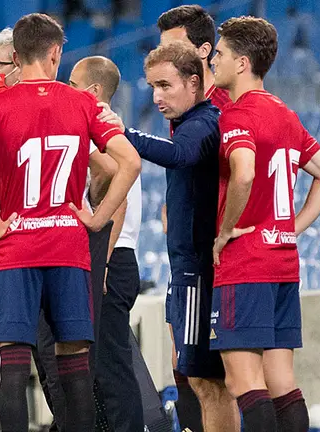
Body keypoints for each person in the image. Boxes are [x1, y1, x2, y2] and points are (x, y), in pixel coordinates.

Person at [0, 13, 140, 432]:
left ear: (17, 56)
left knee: (14, 368)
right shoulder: (84, 103)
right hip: (68, 247)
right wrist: (98, 219)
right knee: (75, 369)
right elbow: (129, 163)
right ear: (56, 53)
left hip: (15, 249)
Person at [209, 16, 320, 432]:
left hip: (246, 262)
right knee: (282, 381)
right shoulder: (285, 113)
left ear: (242, 63)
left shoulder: (237, 115)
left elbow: (244, 173)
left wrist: (226, 229)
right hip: (283, 260)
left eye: (220, 53)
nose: (213, 61)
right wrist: (291, 227)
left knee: (243, 381)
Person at [100, 41, 241, 432]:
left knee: (208, 382)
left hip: (198, 268)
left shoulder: (205, 122)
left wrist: (122, 133)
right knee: (199, 379)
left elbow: (178, 154)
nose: (157, 97)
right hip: (185, 267)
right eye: (152, 87)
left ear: (193, 83)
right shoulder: (189, 123)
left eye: (165, 85)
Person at [156, 6, 233, 431]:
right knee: (182, 364)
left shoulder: (220, 107)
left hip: (208, 256)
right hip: (184, 251)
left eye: (175, 48)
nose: (165, 57)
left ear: (204, 51)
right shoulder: (183, 104)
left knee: (209, 376)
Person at [68, 55, 147, 432]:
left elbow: (118, 192)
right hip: (113, 258)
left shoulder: (102, 133)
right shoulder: (111, 131)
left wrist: (101, 260)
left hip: (112, 259)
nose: (67, 91)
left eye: (73, 84)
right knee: (97, 365)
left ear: (93, 90)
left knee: (110, 367)